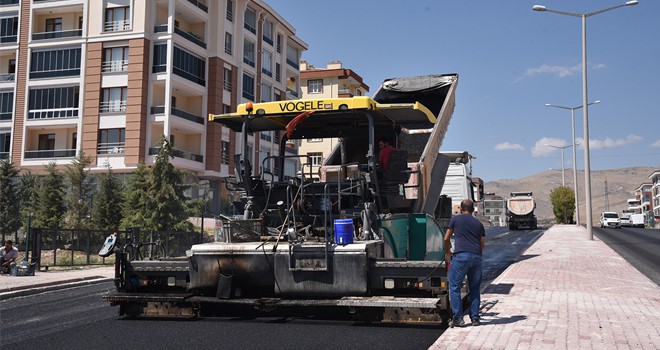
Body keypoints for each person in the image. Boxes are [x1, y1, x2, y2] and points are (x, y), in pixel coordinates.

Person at [444, 199, 485, 327]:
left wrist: (448, 251)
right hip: (476, 257)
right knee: (474, 288)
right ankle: (475, 318)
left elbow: (446, 238)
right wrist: (476, 255)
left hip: (461, 257)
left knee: (455, 287)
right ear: (473, 210)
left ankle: (458, 318)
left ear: (461, 209)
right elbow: (482, 244)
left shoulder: (455, 220)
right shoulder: (479, 224)